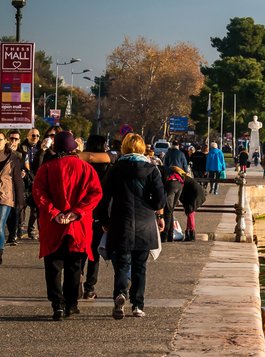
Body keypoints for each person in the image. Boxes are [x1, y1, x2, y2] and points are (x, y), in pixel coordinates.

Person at [32, 131, 103, 320]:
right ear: (74, 148)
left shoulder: (47, 168)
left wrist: (55, 213)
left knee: (53, 266)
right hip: (78, 225)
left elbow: (38, 192)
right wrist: (76, 212)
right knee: (74, 266)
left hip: (53, 225)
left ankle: (58, 305)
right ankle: (71, 303)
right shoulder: (87, 169)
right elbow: (96, 194)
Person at [98, 133, 165, 319]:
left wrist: (104, 220)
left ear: (125, 148)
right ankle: (138, 305)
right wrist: (155, 211)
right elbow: (160, 200)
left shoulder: (115, 169)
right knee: (140, 266)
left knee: (122, 264)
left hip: (121, 221)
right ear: (143, 148)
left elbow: (103, 198)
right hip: (144, 222)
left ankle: (120, 294)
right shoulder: (152, 170)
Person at [77, 135, 113, 300]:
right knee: (94, 252)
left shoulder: (80, 162)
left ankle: (76, 279)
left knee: (79, 250)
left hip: (80, 210)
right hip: (99, 212)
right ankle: (89, 288)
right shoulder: (108, 165)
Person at [0, 130, 26, 265]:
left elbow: (17, 180)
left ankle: (0, 250)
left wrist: (20, 200)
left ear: (5, 141)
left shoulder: (13, 157)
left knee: (0, 223)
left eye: (0, 140)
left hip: (6, 195)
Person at [177, 168, 205, 241]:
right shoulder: (185, 177)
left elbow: (180, 192)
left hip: (194, 196)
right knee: (190, 214)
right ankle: (189, 232)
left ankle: (191, 234)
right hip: (196, 195)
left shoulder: (181, 179)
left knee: (190, 214)